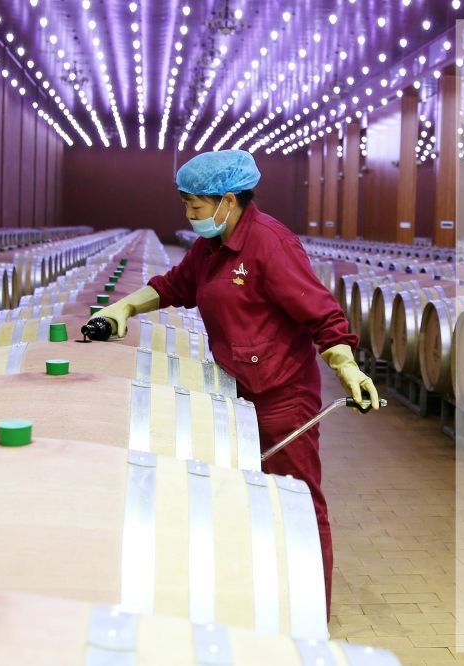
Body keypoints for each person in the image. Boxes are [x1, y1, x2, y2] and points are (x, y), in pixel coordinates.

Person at [92, 149, 379, 622]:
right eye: (185, 204)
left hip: (283, 397)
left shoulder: (270, 243)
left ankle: (311, 618)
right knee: (253, 500)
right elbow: (174, 285)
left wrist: (347, 367)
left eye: (195, 206)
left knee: (298, 506)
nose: (189, 215)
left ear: (228, 200)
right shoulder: (211, 246)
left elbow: (322, 313)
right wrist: (125, 307)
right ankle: (266, 604)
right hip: (238, 394)